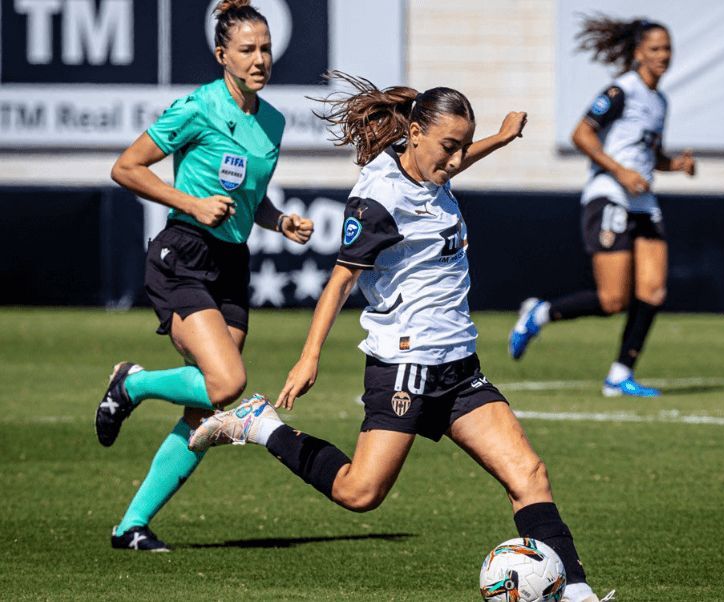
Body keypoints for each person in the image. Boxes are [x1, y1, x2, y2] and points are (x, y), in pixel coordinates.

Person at [188, 74, 615, 602]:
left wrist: (500, 140)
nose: (456, 161)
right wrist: (308, 357)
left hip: (460, 368)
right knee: (359, 492)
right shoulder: (378, 199)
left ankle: (577, 592)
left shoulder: (431, 170)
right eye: (448, 147)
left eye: (463, 147)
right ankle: (261, 426)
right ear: (414, 133)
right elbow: (340, 282)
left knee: (528, 473)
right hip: (405, 370)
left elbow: (448, 164)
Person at [95, 0, 313, 551]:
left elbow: (250, 199)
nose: (261, 58)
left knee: (208, 407)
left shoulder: (273, 121)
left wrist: (279, 220)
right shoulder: (198, 107)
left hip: (231, 264)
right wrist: (190, 203)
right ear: (223, 55)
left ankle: (130, 527)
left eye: (265, 48)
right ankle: (133, 382)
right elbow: (126, 167)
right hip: (183, 255)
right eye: (248, 50)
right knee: (229, 384)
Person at [508, 16, 695, 398]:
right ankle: (538, 314)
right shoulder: (620, 91)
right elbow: (580, 133)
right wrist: (620, 172)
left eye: (667, 48)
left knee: (654, 291)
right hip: (609, 194)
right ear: (638, 53)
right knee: (612, 300)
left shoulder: (660, 101)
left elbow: (649, 155)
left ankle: (619, 375)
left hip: (643, 202)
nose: (663, 55)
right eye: (656, 48)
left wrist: (675, 165)